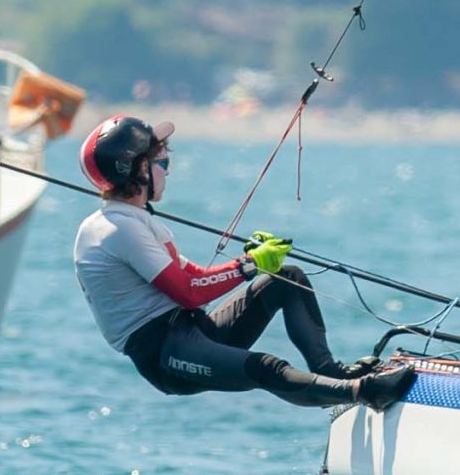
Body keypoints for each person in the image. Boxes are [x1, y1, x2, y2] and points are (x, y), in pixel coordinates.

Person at [72, 115, 415, 410]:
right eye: (162, 163)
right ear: (139, 170)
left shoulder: (131, 221)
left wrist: (248, 259)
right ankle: (364, 393)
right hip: (165, 354)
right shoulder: (118, 229)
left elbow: (194, 276)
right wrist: (248, 266)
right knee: (266, 367)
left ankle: (330, 374)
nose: (168, 171)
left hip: (192, 331)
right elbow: (189, 292)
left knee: (287, 278)